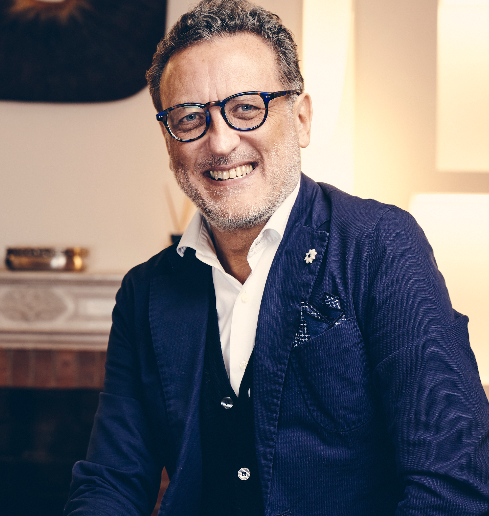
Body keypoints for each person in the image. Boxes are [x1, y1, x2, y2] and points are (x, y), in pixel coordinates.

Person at [64, 0, 489, 514]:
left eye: (247, 108)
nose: (221, 143)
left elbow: (452, 481)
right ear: (169, 140)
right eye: (190, 118)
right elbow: (110, 483)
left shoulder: (381, 245)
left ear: (302, 118)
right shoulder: (145, 291)